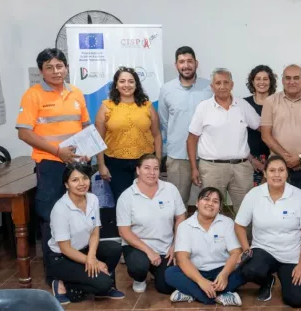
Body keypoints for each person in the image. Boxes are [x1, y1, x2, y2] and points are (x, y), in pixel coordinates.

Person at [16, 48, 91, 284]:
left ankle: (78, 268)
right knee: (51, 217)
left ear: (66, 68)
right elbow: (24, 133)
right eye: (49, 67)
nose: (55, 71)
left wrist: (87, 152)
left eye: (59, 66)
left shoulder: (76, 92)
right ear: (41, 71)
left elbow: (86, 127)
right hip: (50, 165)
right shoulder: (33, 95)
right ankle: (55, 275)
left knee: (79, 216)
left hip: (76, 167)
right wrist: (58, 151)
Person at [260, 64, 301, 264]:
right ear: (282, 80)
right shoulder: (271, 102)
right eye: (287, 78)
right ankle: (284, 258)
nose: (292, 82)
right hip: (280, 169)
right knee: (281, 213)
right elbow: (265, 135)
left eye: (296, 78)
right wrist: (287, 158)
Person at [235, 156, 301, 308]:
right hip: (264, 251)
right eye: (272, 170)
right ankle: (267, 281)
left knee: (296, 300)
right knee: (248, 269)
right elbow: (239, 225)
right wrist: (246, 250)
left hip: (292, 256)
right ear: (265, 173)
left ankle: (285, 275)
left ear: (286, 173)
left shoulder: (299, 196)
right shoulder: (254, 194)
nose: (277, 175)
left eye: (281, 170)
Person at [47, 163, 124, 305]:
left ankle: (96, 282)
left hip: (85, 249)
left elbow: (95, 231)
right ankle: (63, 284)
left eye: (85, 178)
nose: (82, 183)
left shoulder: (93, 199)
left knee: (115, 248)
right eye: (75, 180)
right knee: (103, 284)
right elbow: (65, 248)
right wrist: (91, 261)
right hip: (63, 257)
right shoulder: (60, 209)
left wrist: (92, 255)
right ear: (66, 184)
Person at [187, 68, 260, 213]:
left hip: (241, 168)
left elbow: (261, 127)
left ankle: (244, 237)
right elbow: (191, 139)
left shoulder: (243, 105)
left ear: (232, 84)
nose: (222, 86)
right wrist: (194, 168)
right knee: (210, 211)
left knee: (245, 211)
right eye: (218, 83)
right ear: (212, 86)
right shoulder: (204, 107)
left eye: (226, 82)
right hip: (211, 168)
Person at [117, 154, 187, 294]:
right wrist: (149, 251)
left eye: (155, 169)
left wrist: (176, 244)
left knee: (167, 287)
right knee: (139, 266)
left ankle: (157, 272)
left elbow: (181, 217)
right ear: (138, 170)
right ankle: (140, 278)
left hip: (165, 248)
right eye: (147, 168)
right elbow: (124, 231)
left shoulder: (170, 189)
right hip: (138, 246)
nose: (151, 173)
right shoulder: (127, 196)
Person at [165, 187, 245, 306]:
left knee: (246, 270)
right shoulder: (185, 226)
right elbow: (182, 259)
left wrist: (224, 274)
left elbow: (236, 253)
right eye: (206, 199)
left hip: (221, 270)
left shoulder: (227, 223)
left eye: (215, 201)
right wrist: (201, 281)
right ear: (197, 203)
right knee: (170, 273)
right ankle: (220, 296)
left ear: (219, 208)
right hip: (196, 272)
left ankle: (191, 293)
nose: (210, 204)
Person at [95, 66, 162, 202]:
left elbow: (157, 135)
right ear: (116, 85)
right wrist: (101, 165)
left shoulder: (147, 106)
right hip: (115, 163)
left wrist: (158, 162)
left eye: (131, 81)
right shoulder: (106, 106)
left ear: (136, 85)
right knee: (123, 202)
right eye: (122, 81)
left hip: (145, 163)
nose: (127, 85)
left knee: (145, 200)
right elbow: (98, 139)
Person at [159, 46, 213, 205]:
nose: (186, 65)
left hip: (206, 156)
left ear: (196, 63)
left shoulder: (210, 88)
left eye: (189, 61)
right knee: (177, 203)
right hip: (178, 157)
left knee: (208, 202)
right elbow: (164, 121)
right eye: (181, 62)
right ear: (176, 65)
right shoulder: (167, 89)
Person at [244, 65, 277, 185]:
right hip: (248, 160)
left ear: (271, 81)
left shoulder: (278, 103)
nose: (261, 82)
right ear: (252, 81)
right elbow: (237, 136)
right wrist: (252, 159)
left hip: (275, 160)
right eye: (258, 79)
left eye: (265, 79)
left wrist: (272, 161)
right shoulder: (244, 104)